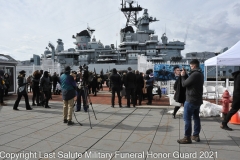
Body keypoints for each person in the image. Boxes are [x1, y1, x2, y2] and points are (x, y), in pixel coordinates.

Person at [177, 59, 204, 144]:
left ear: (194, 66)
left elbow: (184, 84)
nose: (190, 68)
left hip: (191, 99)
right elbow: (191, 82)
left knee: (187, 118)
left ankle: (187, 137)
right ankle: (196, 135)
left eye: (191, 66)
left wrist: (182, 76)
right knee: (196, 117)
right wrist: (186, 75)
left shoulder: (195, 74)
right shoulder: (200, 74)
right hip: (198, 100)